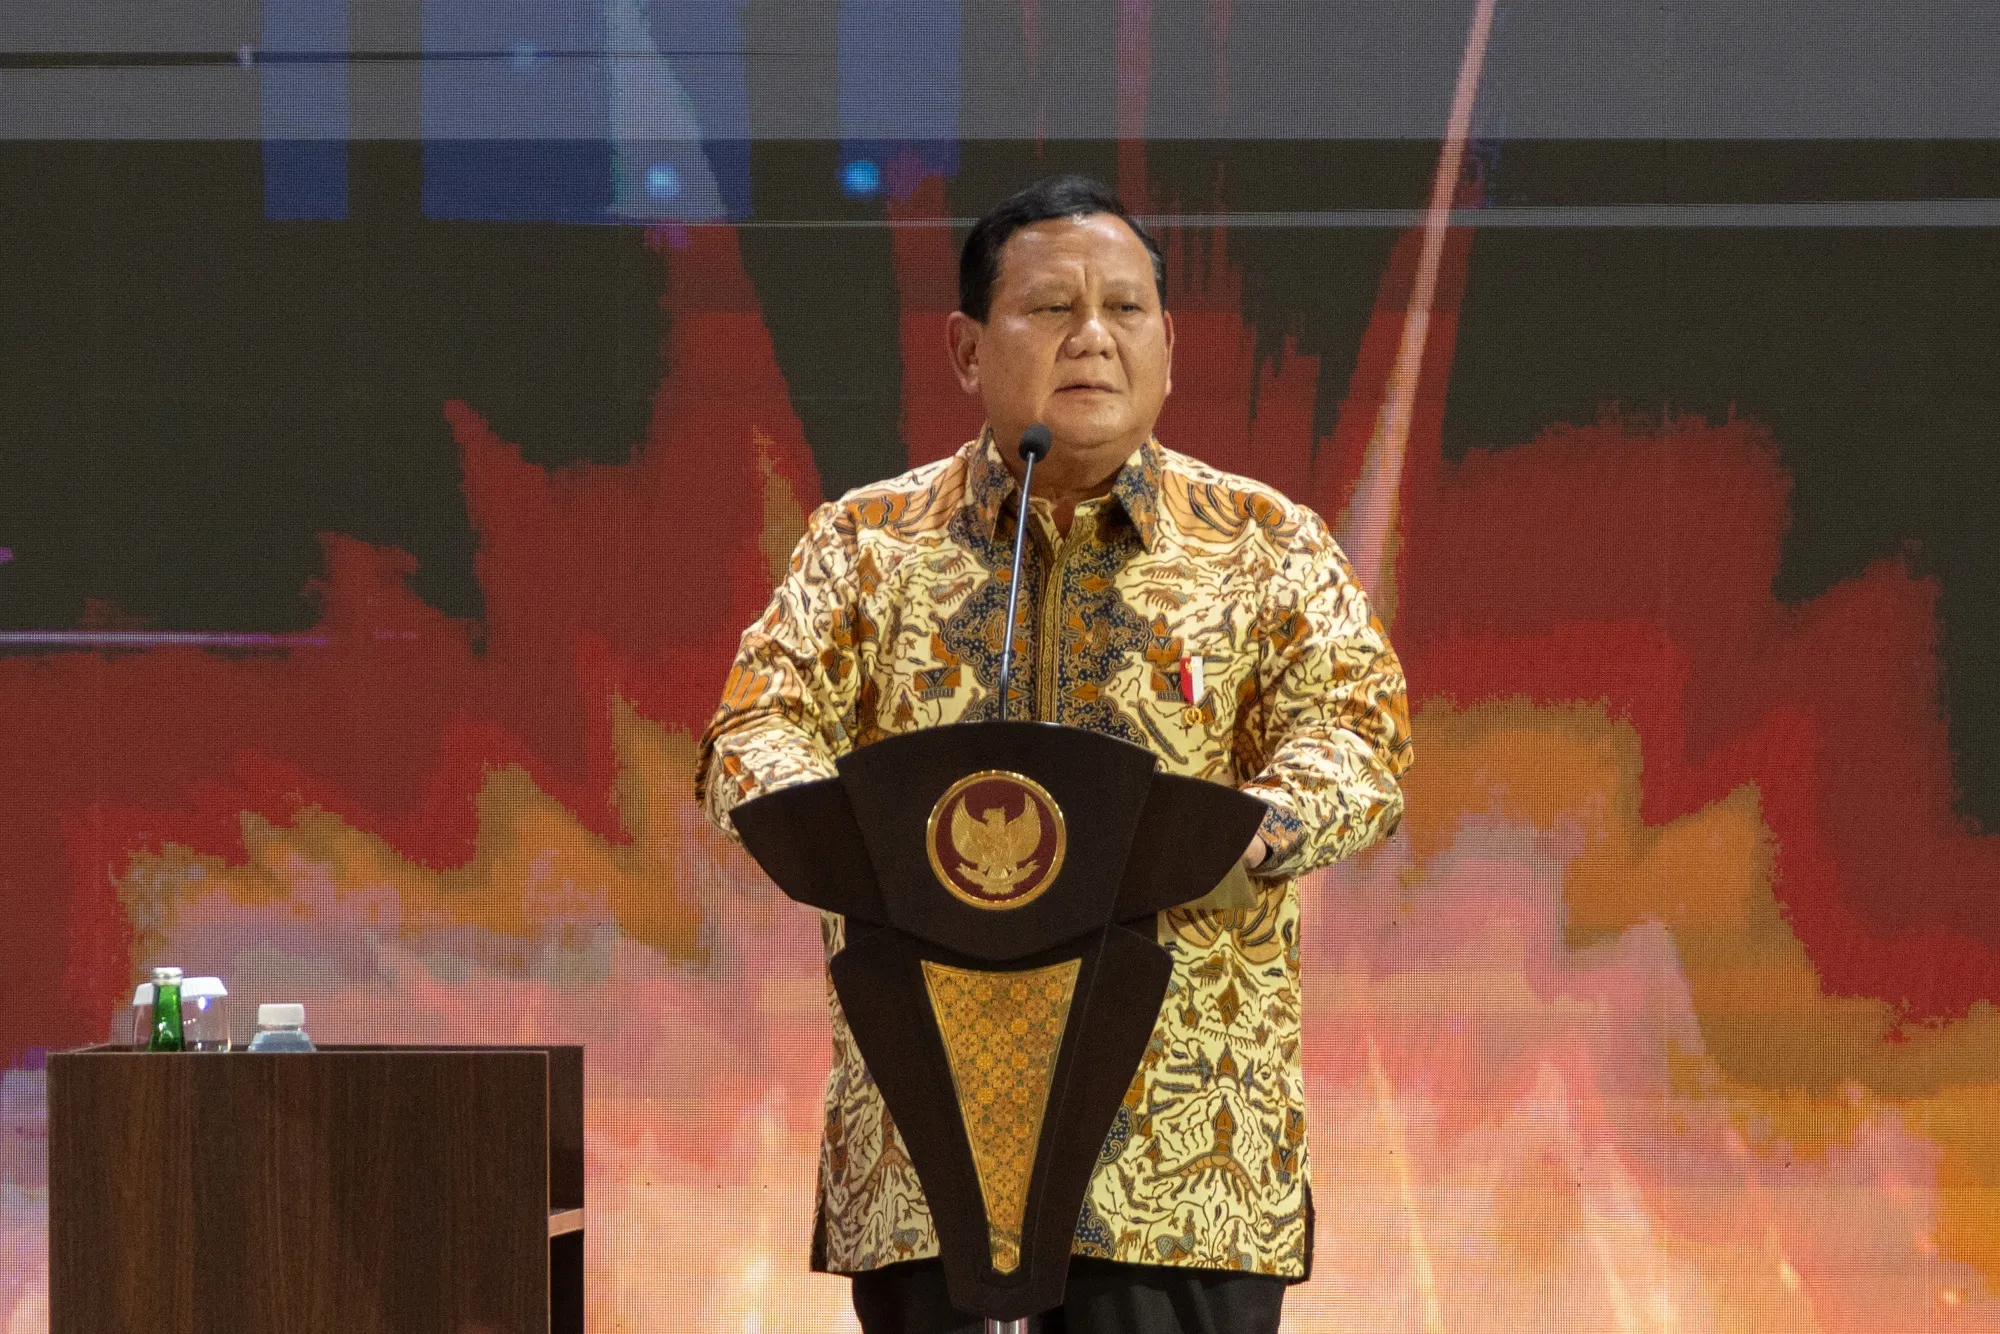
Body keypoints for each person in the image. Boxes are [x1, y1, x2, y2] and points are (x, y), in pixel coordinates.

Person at [696, 175, 1413, 1334]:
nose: (1091, 337)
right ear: (967, 349)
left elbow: (1359, 737)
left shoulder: (1262, 544)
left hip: (1174, 1163)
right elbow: (752, 727)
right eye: (1049, 309)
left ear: (1169, 346)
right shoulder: (869, 546)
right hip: (925, 1144)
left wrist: (1249, 829)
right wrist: (840, 834)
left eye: (1124, 309)